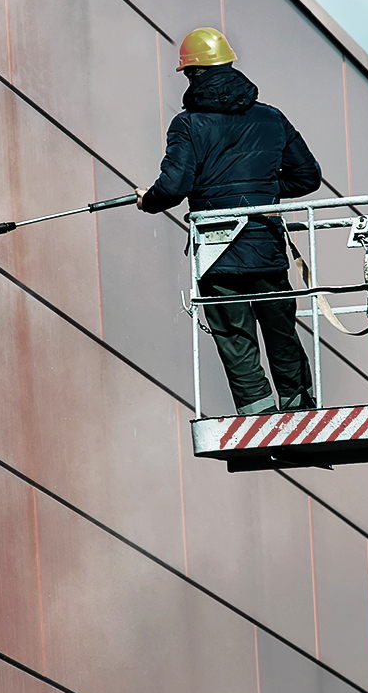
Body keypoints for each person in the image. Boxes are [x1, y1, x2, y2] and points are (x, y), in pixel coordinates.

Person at [137, 27, 322, 416]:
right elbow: (307, 177)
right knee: (280, 327)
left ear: (191, 74)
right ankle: (298, 404)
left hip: (217, 249)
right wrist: (261, 193)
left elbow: (173, 187)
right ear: (230, 64)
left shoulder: (188, 125)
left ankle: (257, 409)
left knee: (234, 334)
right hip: (266, 243)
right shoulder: (271, 119)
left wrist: (148, 201)